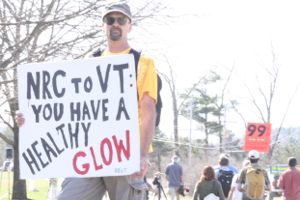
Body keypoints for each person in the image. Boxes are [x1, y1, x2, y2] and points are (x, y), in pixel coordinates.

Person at [15, 2, 158, 200]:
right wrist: (30, 118)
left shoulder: (142, 62)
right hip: (89, 152)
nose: (115, 23)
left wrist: (142, 155)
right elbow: (63, 109)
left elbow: (148, 109)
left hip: (126, 153)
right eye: (110, 19)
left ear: (129, 25)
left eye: (121, 19)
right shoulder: (90, 62)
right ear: (103, 25)